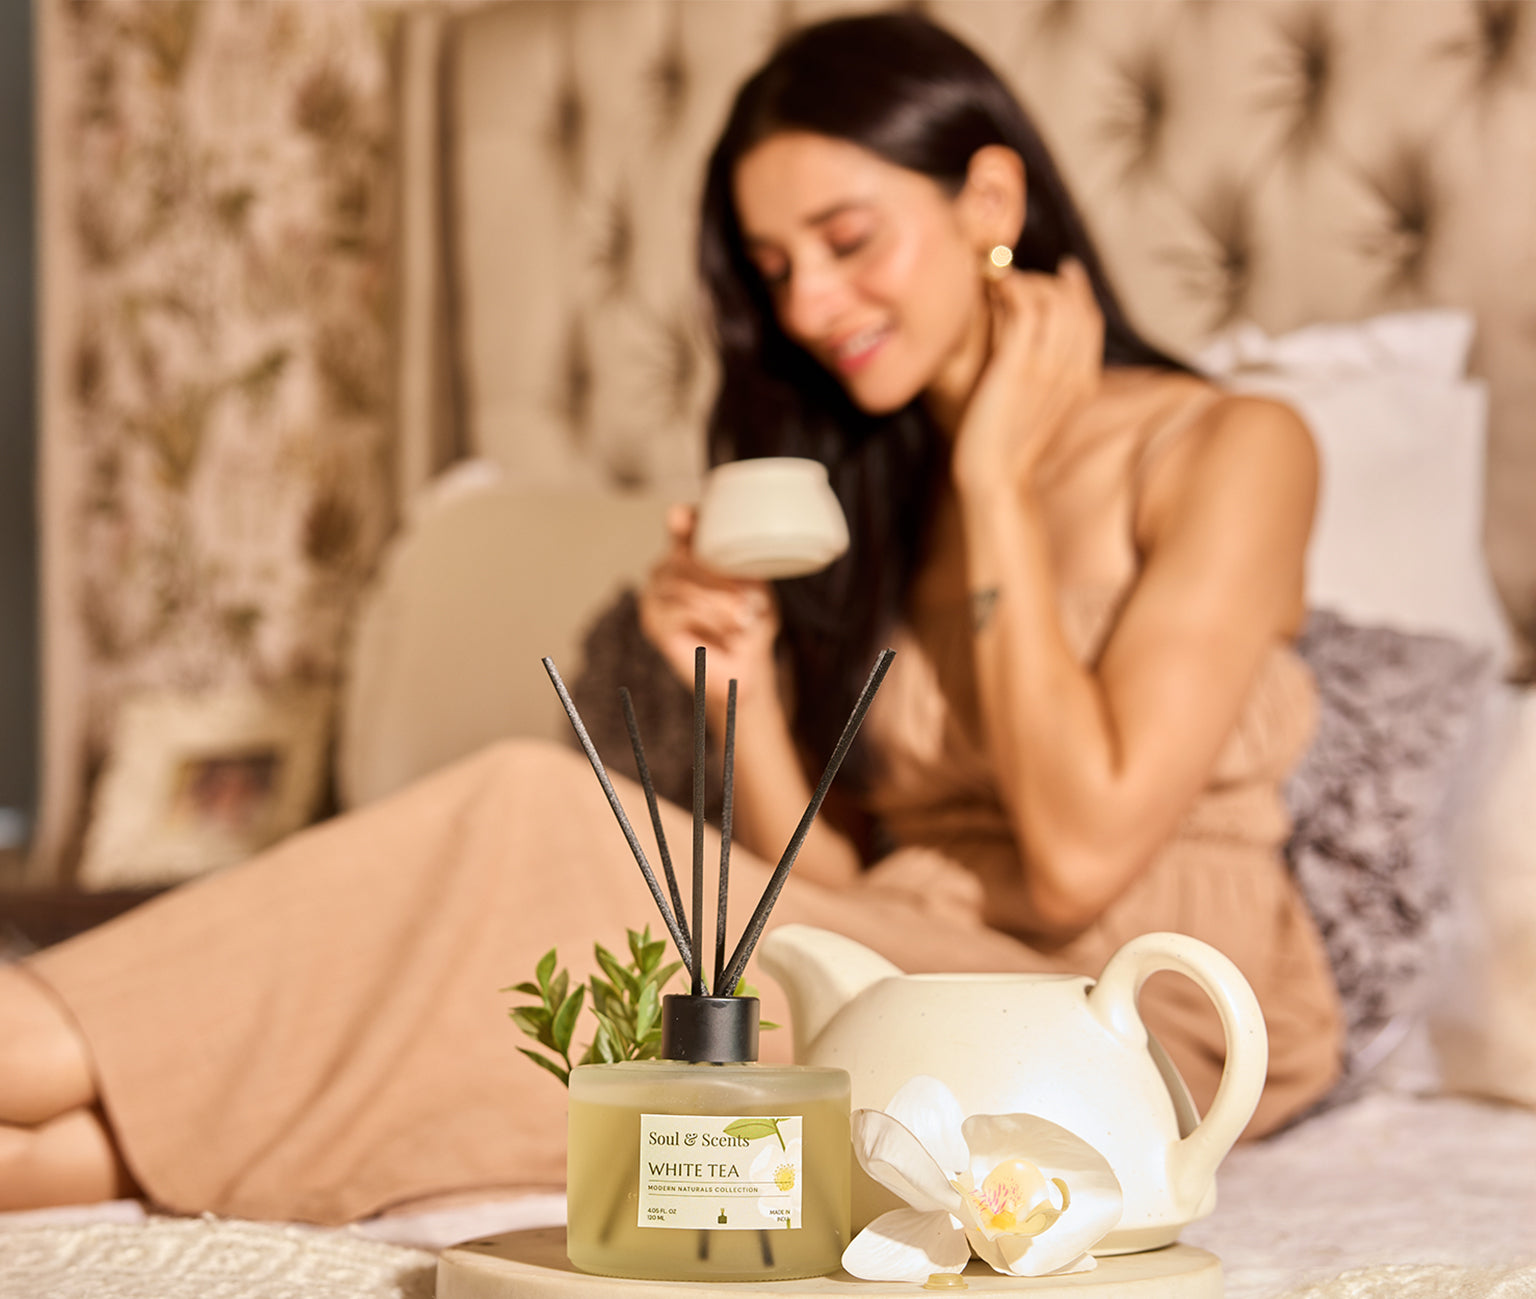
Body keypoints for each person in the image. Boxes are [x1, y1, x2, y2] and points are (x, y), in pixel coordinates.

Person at [0, 12, 1342, 1223]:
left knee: (532, 818)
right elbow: (813, 899)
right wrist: (737, 691)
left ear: (989, 193)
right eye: (774, 269)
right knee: (594, 1005)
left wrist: (998, 483)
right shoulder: (880, 495)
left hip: (1140, 1007)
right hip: (906, 968)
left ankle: (32, 1029)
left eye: (847, 240)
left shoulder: (1227, 447)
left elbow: (1077, 859)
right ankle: (47, 1127)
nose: (810, 307)